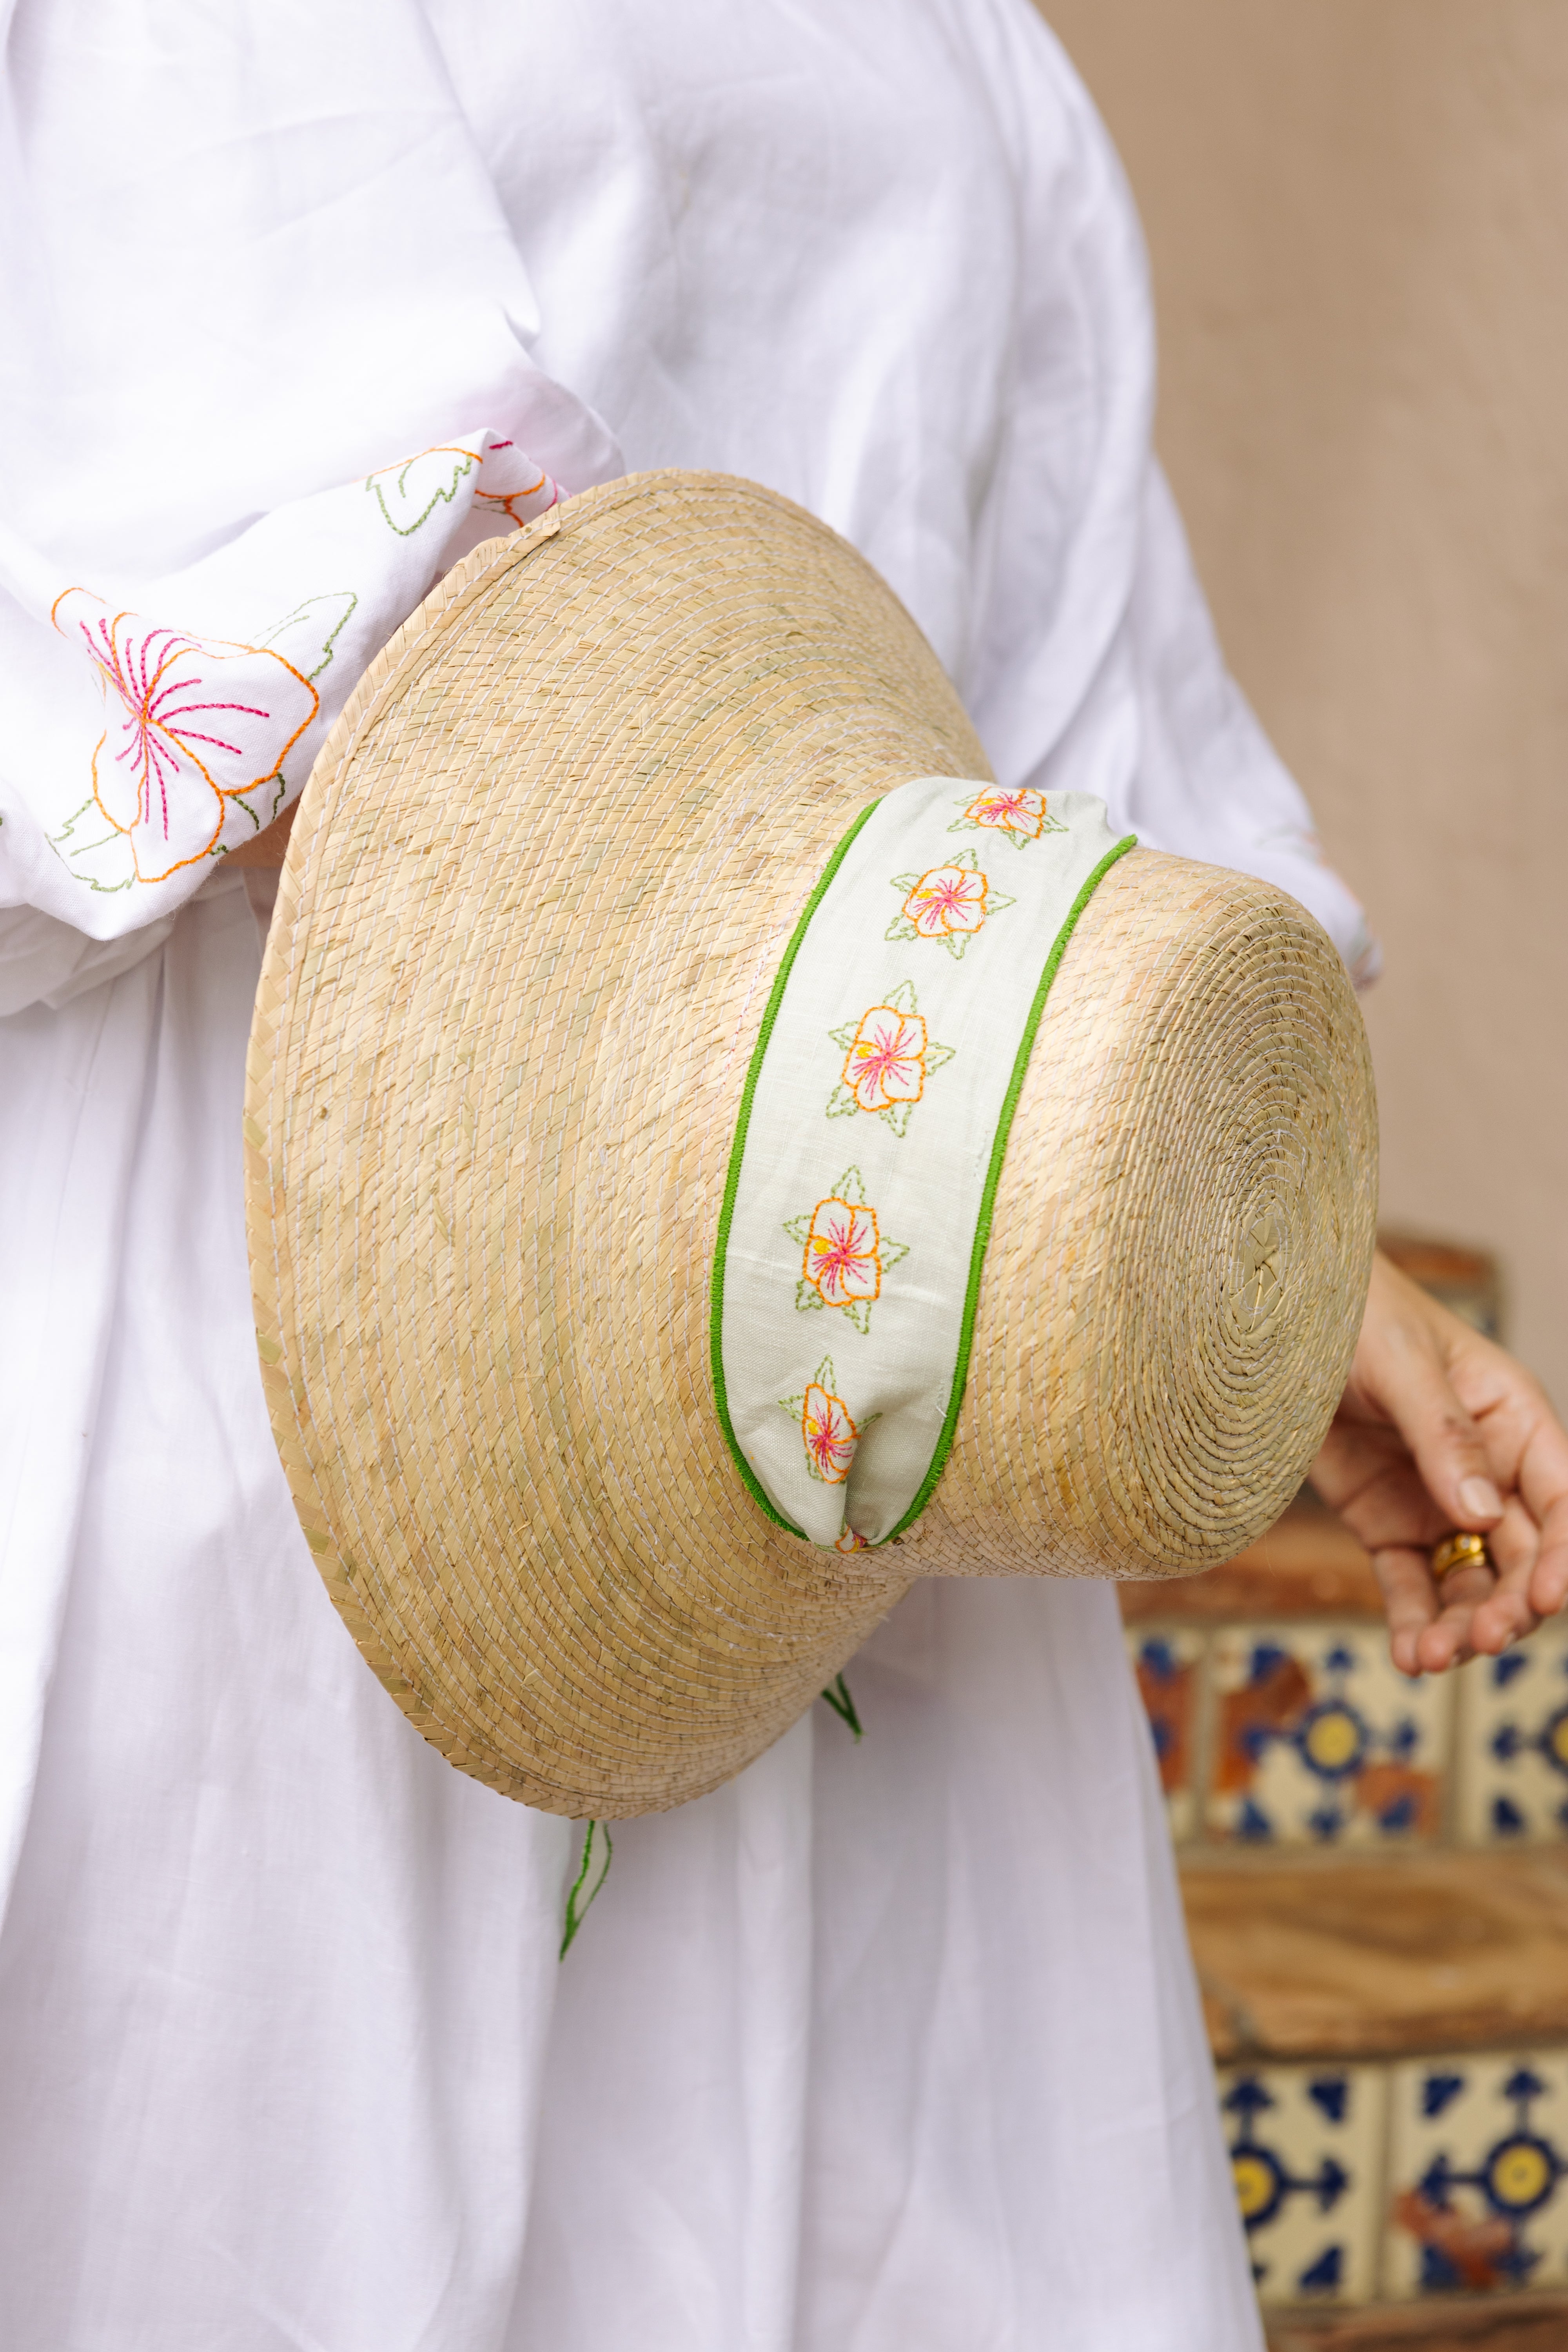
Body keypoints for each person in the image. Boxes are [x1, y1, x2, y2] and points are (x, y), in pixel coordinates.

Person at [0, 5, 1564, 2346]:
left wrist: (1252, 1218)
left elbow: (1044, 688)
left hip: (856, 1427)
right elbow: (234, 578)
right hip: (321, 1327)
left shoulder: (963, 38)